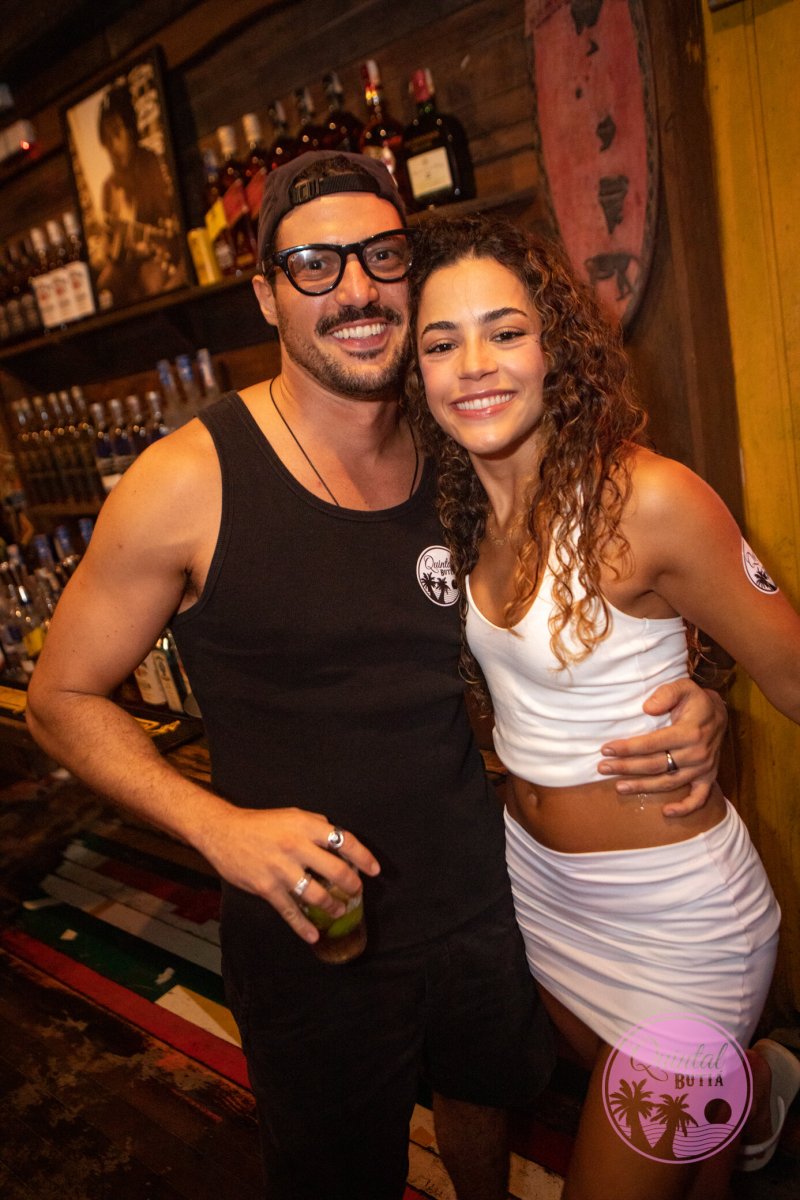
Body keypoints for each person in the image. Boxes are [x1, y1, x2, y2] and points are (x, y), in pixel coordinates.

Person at [26, 152, 726, 1200]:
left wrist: (701, 693)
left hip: (479, 895)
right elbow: (59, 698)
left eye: (380, 256)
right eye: (314, 265)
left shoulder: (461, 450)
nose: (355, 288)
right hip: (312, 927)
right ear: (267, 295)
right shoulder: (189, 480)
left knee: (484, 1101)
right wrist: (218, 828)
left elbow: (608, 593)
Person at [405, 211, 800, 1198]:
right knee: (690, 1157)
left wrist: (715, 700)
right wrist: (705, 692)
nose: (473, 366)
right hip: (541, 898)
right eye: (440, 343)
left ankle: (746, 1089)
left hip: (675, 923)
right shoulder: (455, 513)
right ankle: (754, 1093)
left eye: (504, 331)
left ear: (555, 347)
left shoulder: (646, 499)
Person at [94, 82, 186, 303]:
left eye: (116, 133)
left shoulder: (153, 164)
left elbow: (172, 229)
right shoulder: (108, 187)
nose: (112, 146)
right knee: (103, 286)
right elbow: (111, 249)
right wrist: (108, 249)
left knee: (151, 281)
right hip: (126, 265)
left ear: (130, 130)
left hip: (159, 258)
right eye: (106, 138)